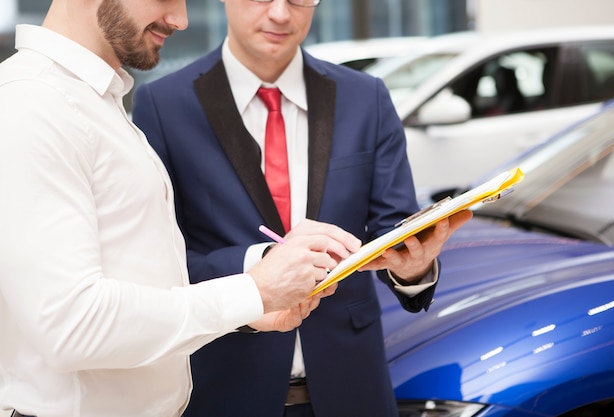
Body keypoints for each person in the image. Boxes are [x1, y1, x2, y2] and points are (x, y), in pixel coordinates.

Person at [0, 0, 362, 416]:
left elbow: (136, 283)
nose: (181, 19)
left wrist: (251, 305)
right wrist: (253, 290)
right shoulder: (34, 103)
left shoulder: (89, 100)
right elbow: (72, 325)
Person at [132, 0, 473, 416]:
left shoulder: (366, 97)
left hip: (352, 385)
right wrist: (263, 265)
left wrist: (413, 269)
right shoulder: (163, 105)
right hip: (226, 383)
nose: (280, 13)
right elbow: (156, 263)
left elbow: (392, 229)